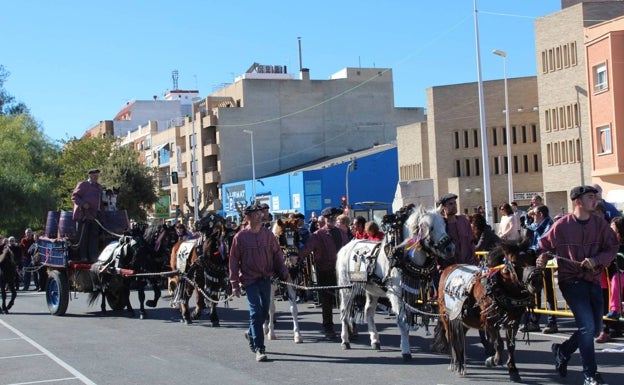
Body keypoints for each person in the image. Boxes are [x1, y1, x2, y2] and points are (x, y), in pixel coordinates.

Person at [537, 185, 618, 385]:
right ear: (578, 201)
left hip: (593, 279)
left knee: (594, 327)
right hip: (571, 280)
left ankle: (562, 351)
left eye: (595, 196)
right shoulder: (561, 226)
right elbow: (542, 247)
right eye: (590, 197)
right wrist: (542, 258)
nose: (595, 200)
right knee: (588, 326)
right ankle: (590, 375)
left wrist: (597, 260)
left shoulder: (600, 225)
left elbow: (613, 247)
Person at [229, 203, 289, 362]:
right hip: (250, 280)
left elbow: (277, 255)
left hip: (266, 278)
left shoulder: (268, 235)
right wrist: (234, 283)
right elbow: (234, 261)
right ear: (247, 218)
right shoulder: (240, 237)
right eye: (255, 214)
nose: (259, 216)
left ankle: (250, 333)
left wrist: (283, 271)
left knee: (264, 312)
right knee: (255, 312)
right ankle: (259, 348)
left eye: (259, 214)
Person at [299, 206, 349, 338]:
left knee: (346, 299)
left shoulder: (342, 233)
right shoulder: (317, 235)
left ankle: (348, 326)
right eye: (330, 218)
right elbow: (307, 249)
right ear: (325, 219)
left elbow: (348, 249)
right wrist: (295, 256)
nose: (332, 220)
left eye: (334, 218)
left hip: (342, 271)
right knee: (327, 302)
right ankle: (328, 328)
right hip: (325, 270)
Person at [522, 204, 557, 334]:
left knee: (548, 293)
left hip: (547, 262)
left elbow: (543, 243)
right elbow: (528, 225)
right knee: (535, 292)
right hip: (536, 261)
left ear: (541, 215)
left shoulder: (549, 225)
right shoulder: (537, 226)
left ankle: (552, 322)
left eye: (534, 214)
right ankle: (534, 321)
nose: (532, 216)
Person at [596, 216, 624, 343]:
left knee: (616, 279)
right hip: (607, 279)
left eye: (614, 230)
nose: (611, 232)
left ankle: (615, 310)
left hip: (619, 276)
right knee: (603, 298)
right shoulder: (608, 243)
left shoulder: (620, 246)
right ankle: (604, 330)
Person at [71, 169, 104, 262]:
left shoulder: (99, 187)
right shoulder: (83, 185)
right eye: (95, 176)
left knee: (94, 237)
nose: (97, 177)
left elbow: (100, 202)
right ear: (90, 176)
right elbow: (74, 197)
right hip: (84, 216)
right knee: (83, 237)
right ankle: (83, 257)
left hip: (95, 216)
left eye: (97, 176)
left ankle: (93, 257)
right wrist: (83, 204)